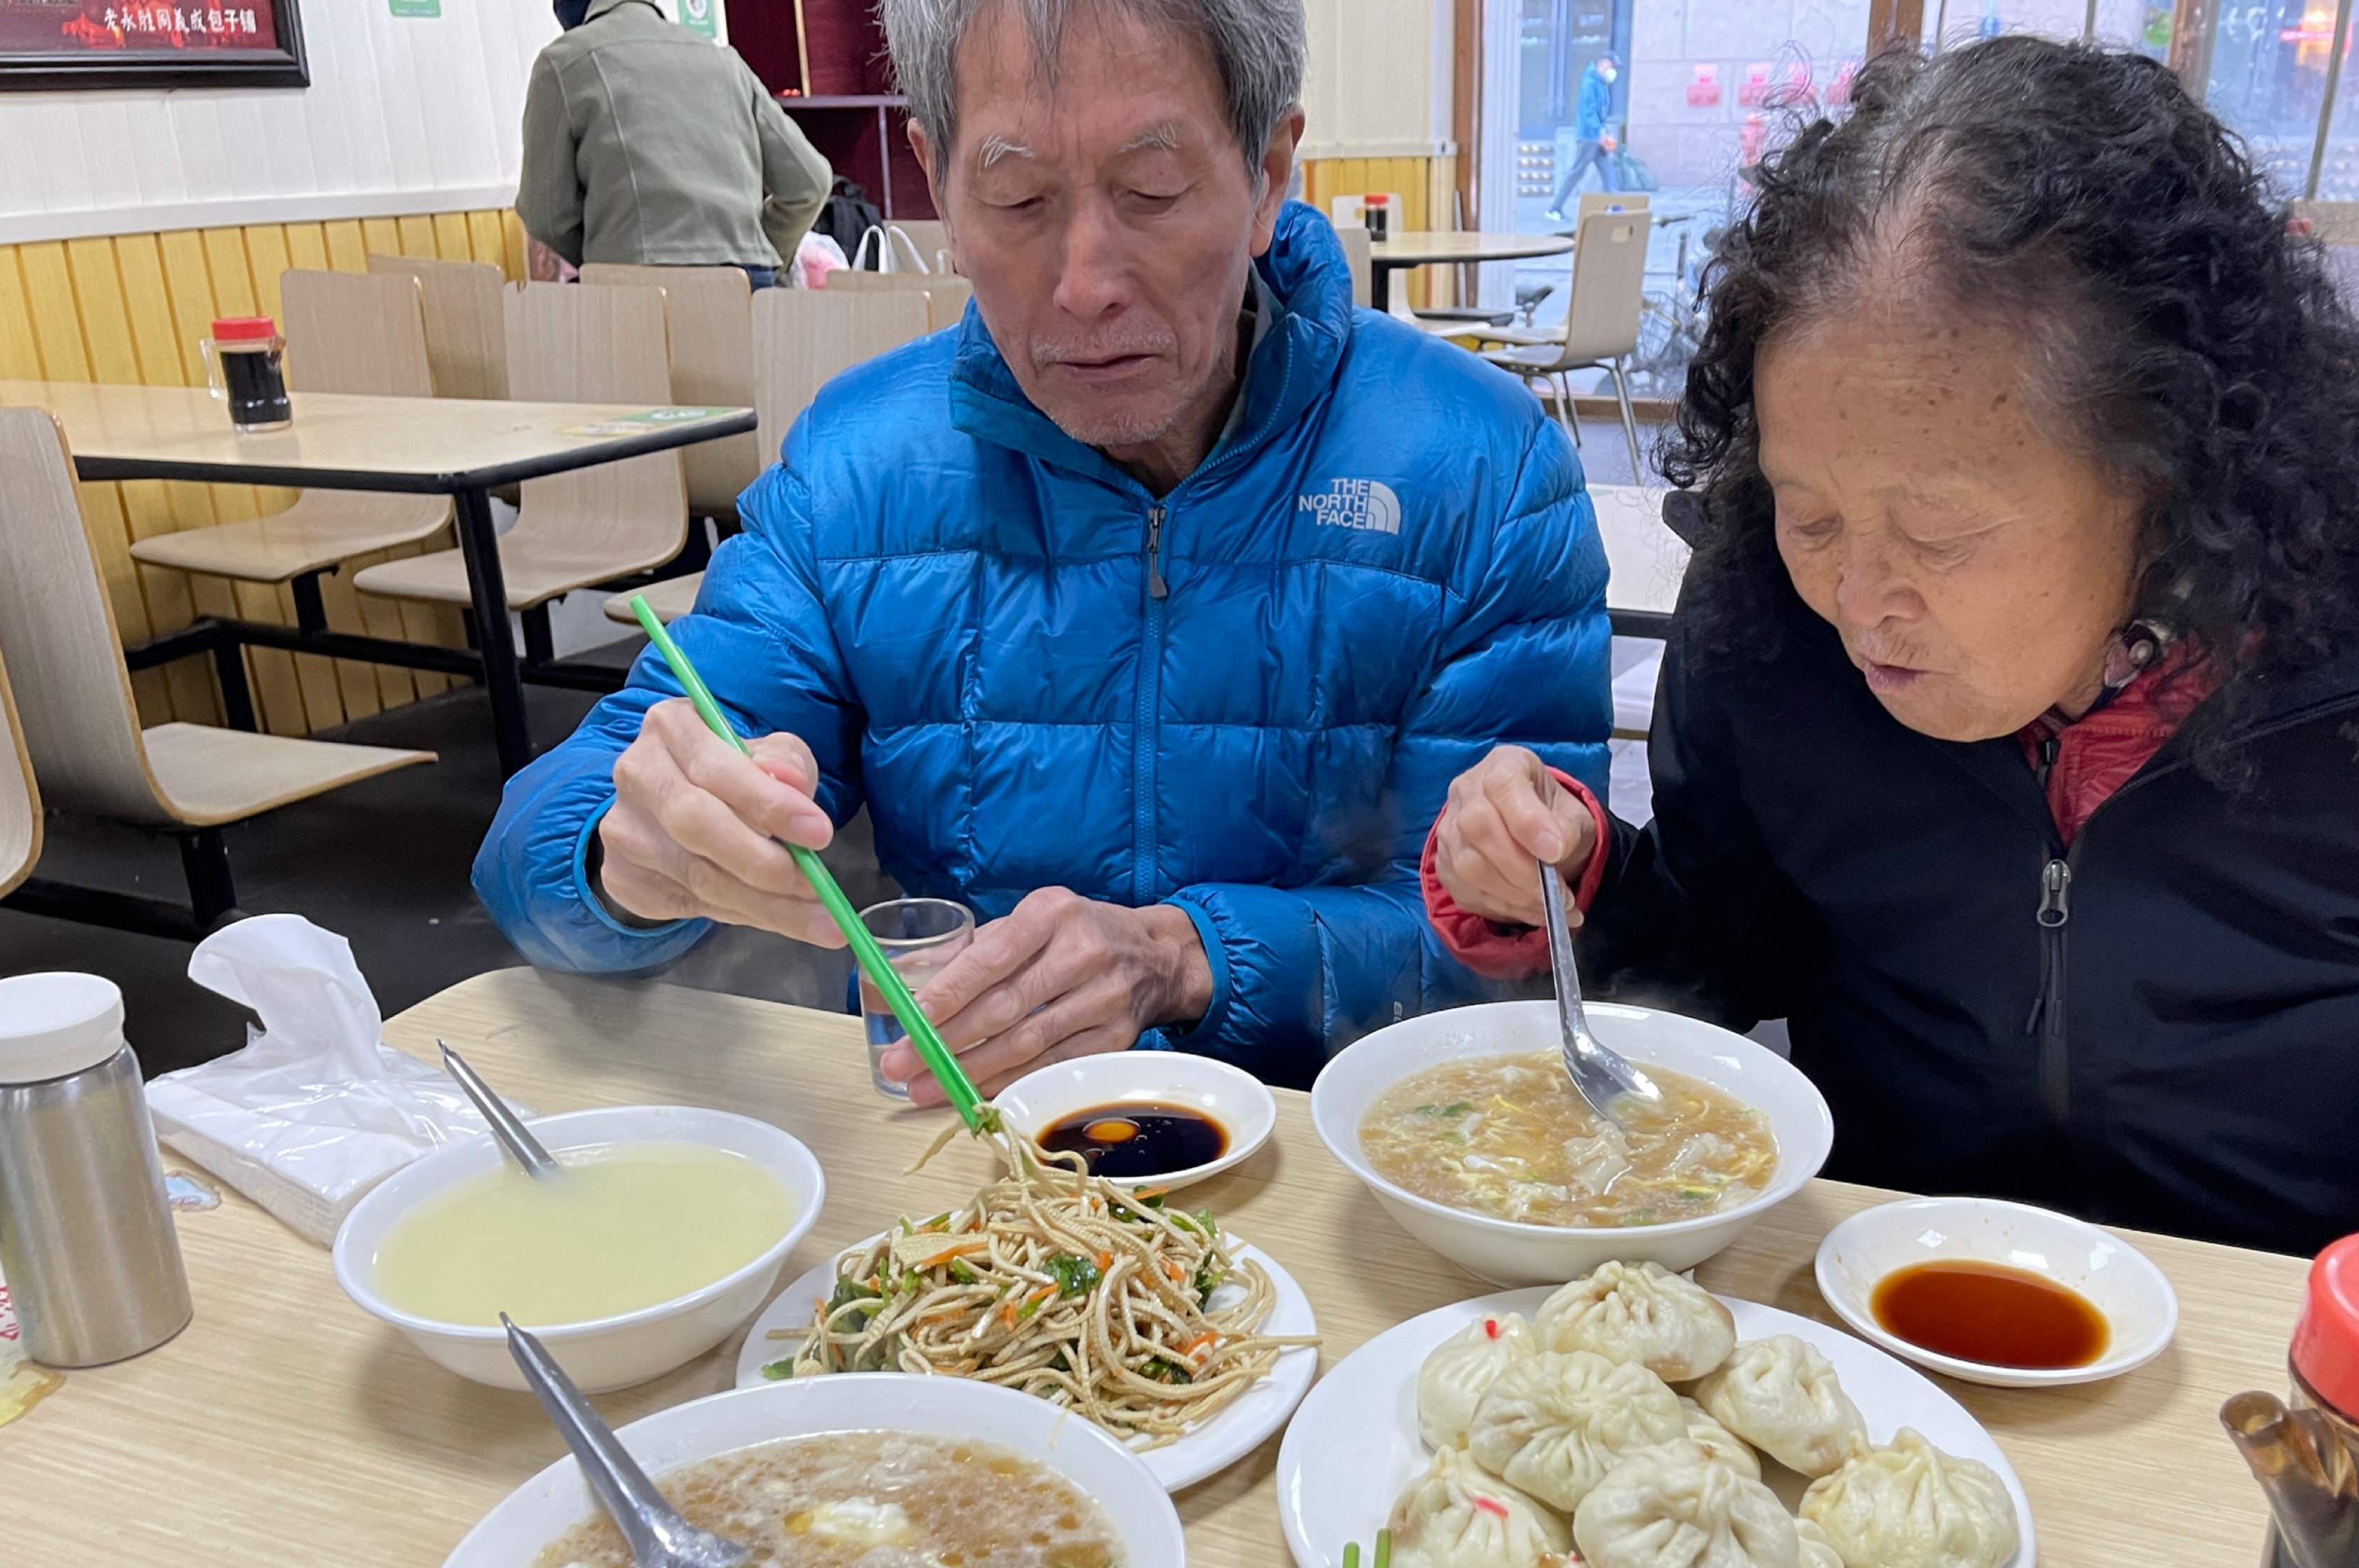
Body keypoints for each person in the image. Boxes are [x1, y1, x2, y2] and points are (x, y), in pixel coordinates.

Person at [1426, 39, 2359, 1305]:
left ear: (2171, 462)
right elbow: (1727, 948)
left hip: (2308, 1322)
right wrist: (1578, 881)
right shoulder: (1765, 599)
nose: (1858, 604)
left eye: (1938, 534)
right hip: (1884, 1292)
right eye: (1814, 515)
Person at [475, 0, 1608, 1093]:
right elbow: (546, 835)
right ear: (937, 182)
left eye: (1153, 189)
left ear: (1268, 175)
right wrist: (625, 860)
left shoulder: (1477, 469)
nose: (1084, 285)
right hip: (970, 1174)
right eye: (1015, 198)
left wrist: (1185, 957)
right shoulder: (861, 468)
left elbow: (1507, 957)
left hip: (1342, 1175)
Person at [516, 0, 833, 290]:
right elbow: (812, 182)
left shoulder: (562, 62)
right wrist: (759, 252)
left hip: (635, 289)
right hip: (745, 284)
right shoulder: (724, 60)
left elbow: (544, 215)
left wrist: (606, 255)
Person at [1546, 53, 1623, 220]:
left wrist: (1602, 132)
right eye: (1612, 67)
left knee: (1607, 171)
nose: (1613, 72)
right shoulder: (1590, 83)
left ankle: (1617, 206)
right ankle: (1555, 208)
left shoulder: (1600, 84)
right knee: (1577, 172)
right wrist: (1600, 131)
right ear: (1602, 64)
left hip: (1596, 137)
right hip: (1589, 137)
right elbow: (1589, 111)